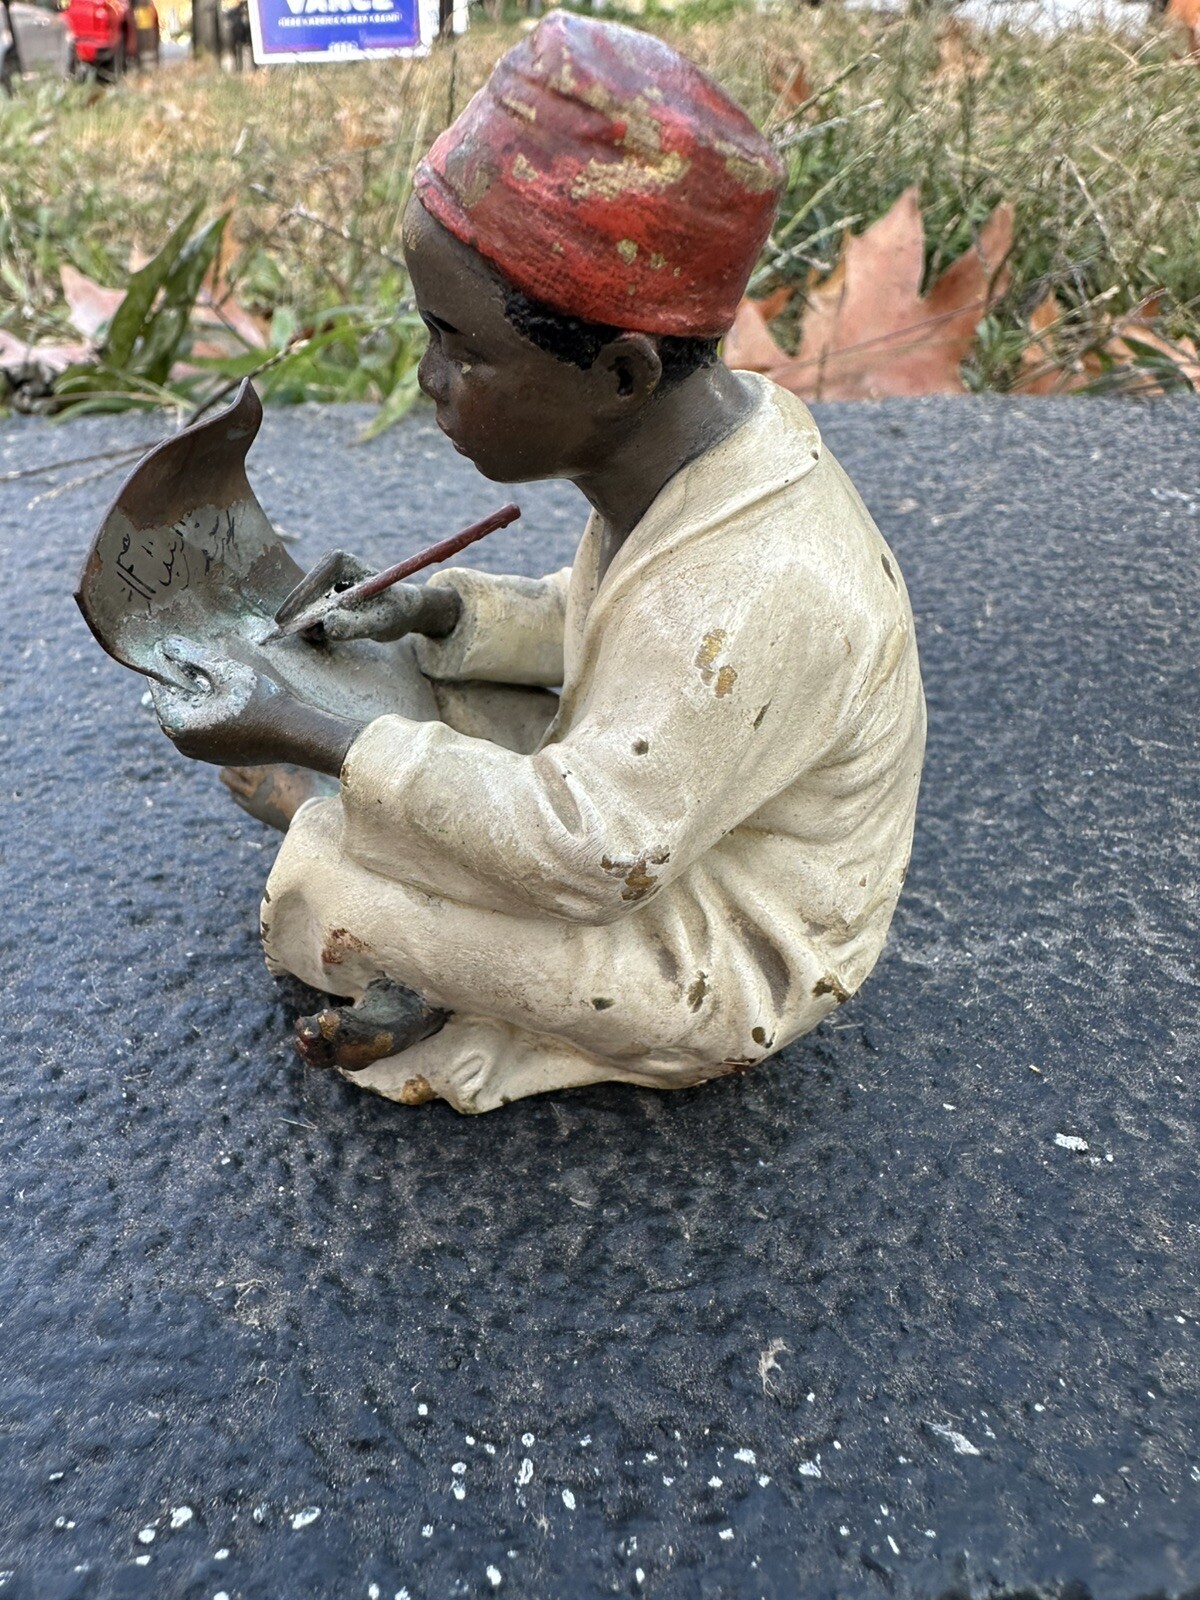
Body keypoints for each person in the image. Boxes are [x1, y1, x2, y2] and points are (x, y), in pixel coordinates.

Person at [151, 12, 926, 1113]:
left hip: (712, 940)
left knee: (325, 878)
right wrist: (431, 613)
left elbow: (599, 848)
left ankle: (368, 873)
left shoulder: (755, 586)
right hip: (667, 809)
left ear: (619, 374)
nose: (428, 380)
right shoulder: (699, 456)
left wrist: (310, 733)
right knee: (432, 695)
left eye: (460, 346)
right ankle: (377, 829)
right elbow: (606, 626)